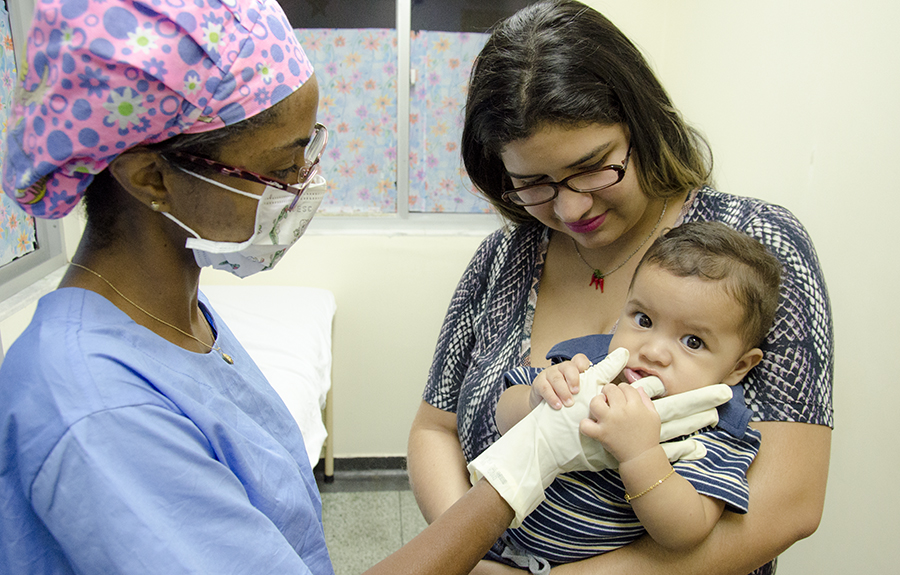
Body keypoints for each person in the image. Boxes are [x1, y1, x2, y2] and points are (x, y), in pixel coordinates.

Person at [0, 2, 728, 574]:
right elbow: (437, 424)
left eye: (309, 148)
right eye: (282, 164)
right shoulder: (95, 404)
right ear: (151, 175)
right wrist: (525, 460)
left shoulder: (180, 318)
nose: (304, 185)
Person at [407, 1, 834, 574]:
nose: (570, 206)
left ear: (644, 123)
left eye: (594, 166)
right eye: (533, 183)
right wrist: (471, 556)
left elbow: (790, 504)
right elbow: (436, 428)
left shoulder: (757, 248)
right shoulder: (503, 260)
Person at [491, 222, 781, 570]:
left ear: (738, 367)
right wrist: (536, 400)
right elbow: (503, 414)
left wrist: (640, 454)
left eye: (693, 341)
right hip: (501, 549)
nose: (654, 351)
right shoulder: (588, 368)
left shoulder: (714, 430)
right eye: (643, 319)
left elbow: (687, 532)